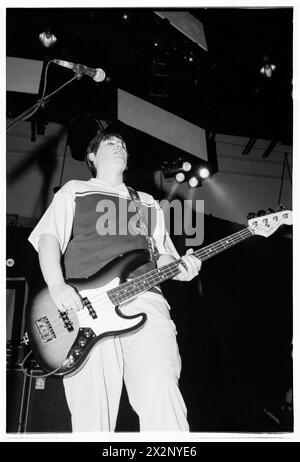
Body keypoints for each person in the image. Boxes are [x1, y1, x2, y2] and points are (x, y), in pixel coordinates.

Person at [28, 130, 201, 432]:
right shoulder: (76, 189)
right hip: (87, 307)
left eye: (122, 145)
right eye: (110, 143)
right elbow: (49, 237)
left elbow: (162, 256)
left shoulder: (146, 202)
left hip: (146, 298)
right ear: (92, 156)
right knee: (92, 409)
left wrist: (183, 268)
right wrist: (57, 286)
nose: (119, 147)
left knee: (161, 393)